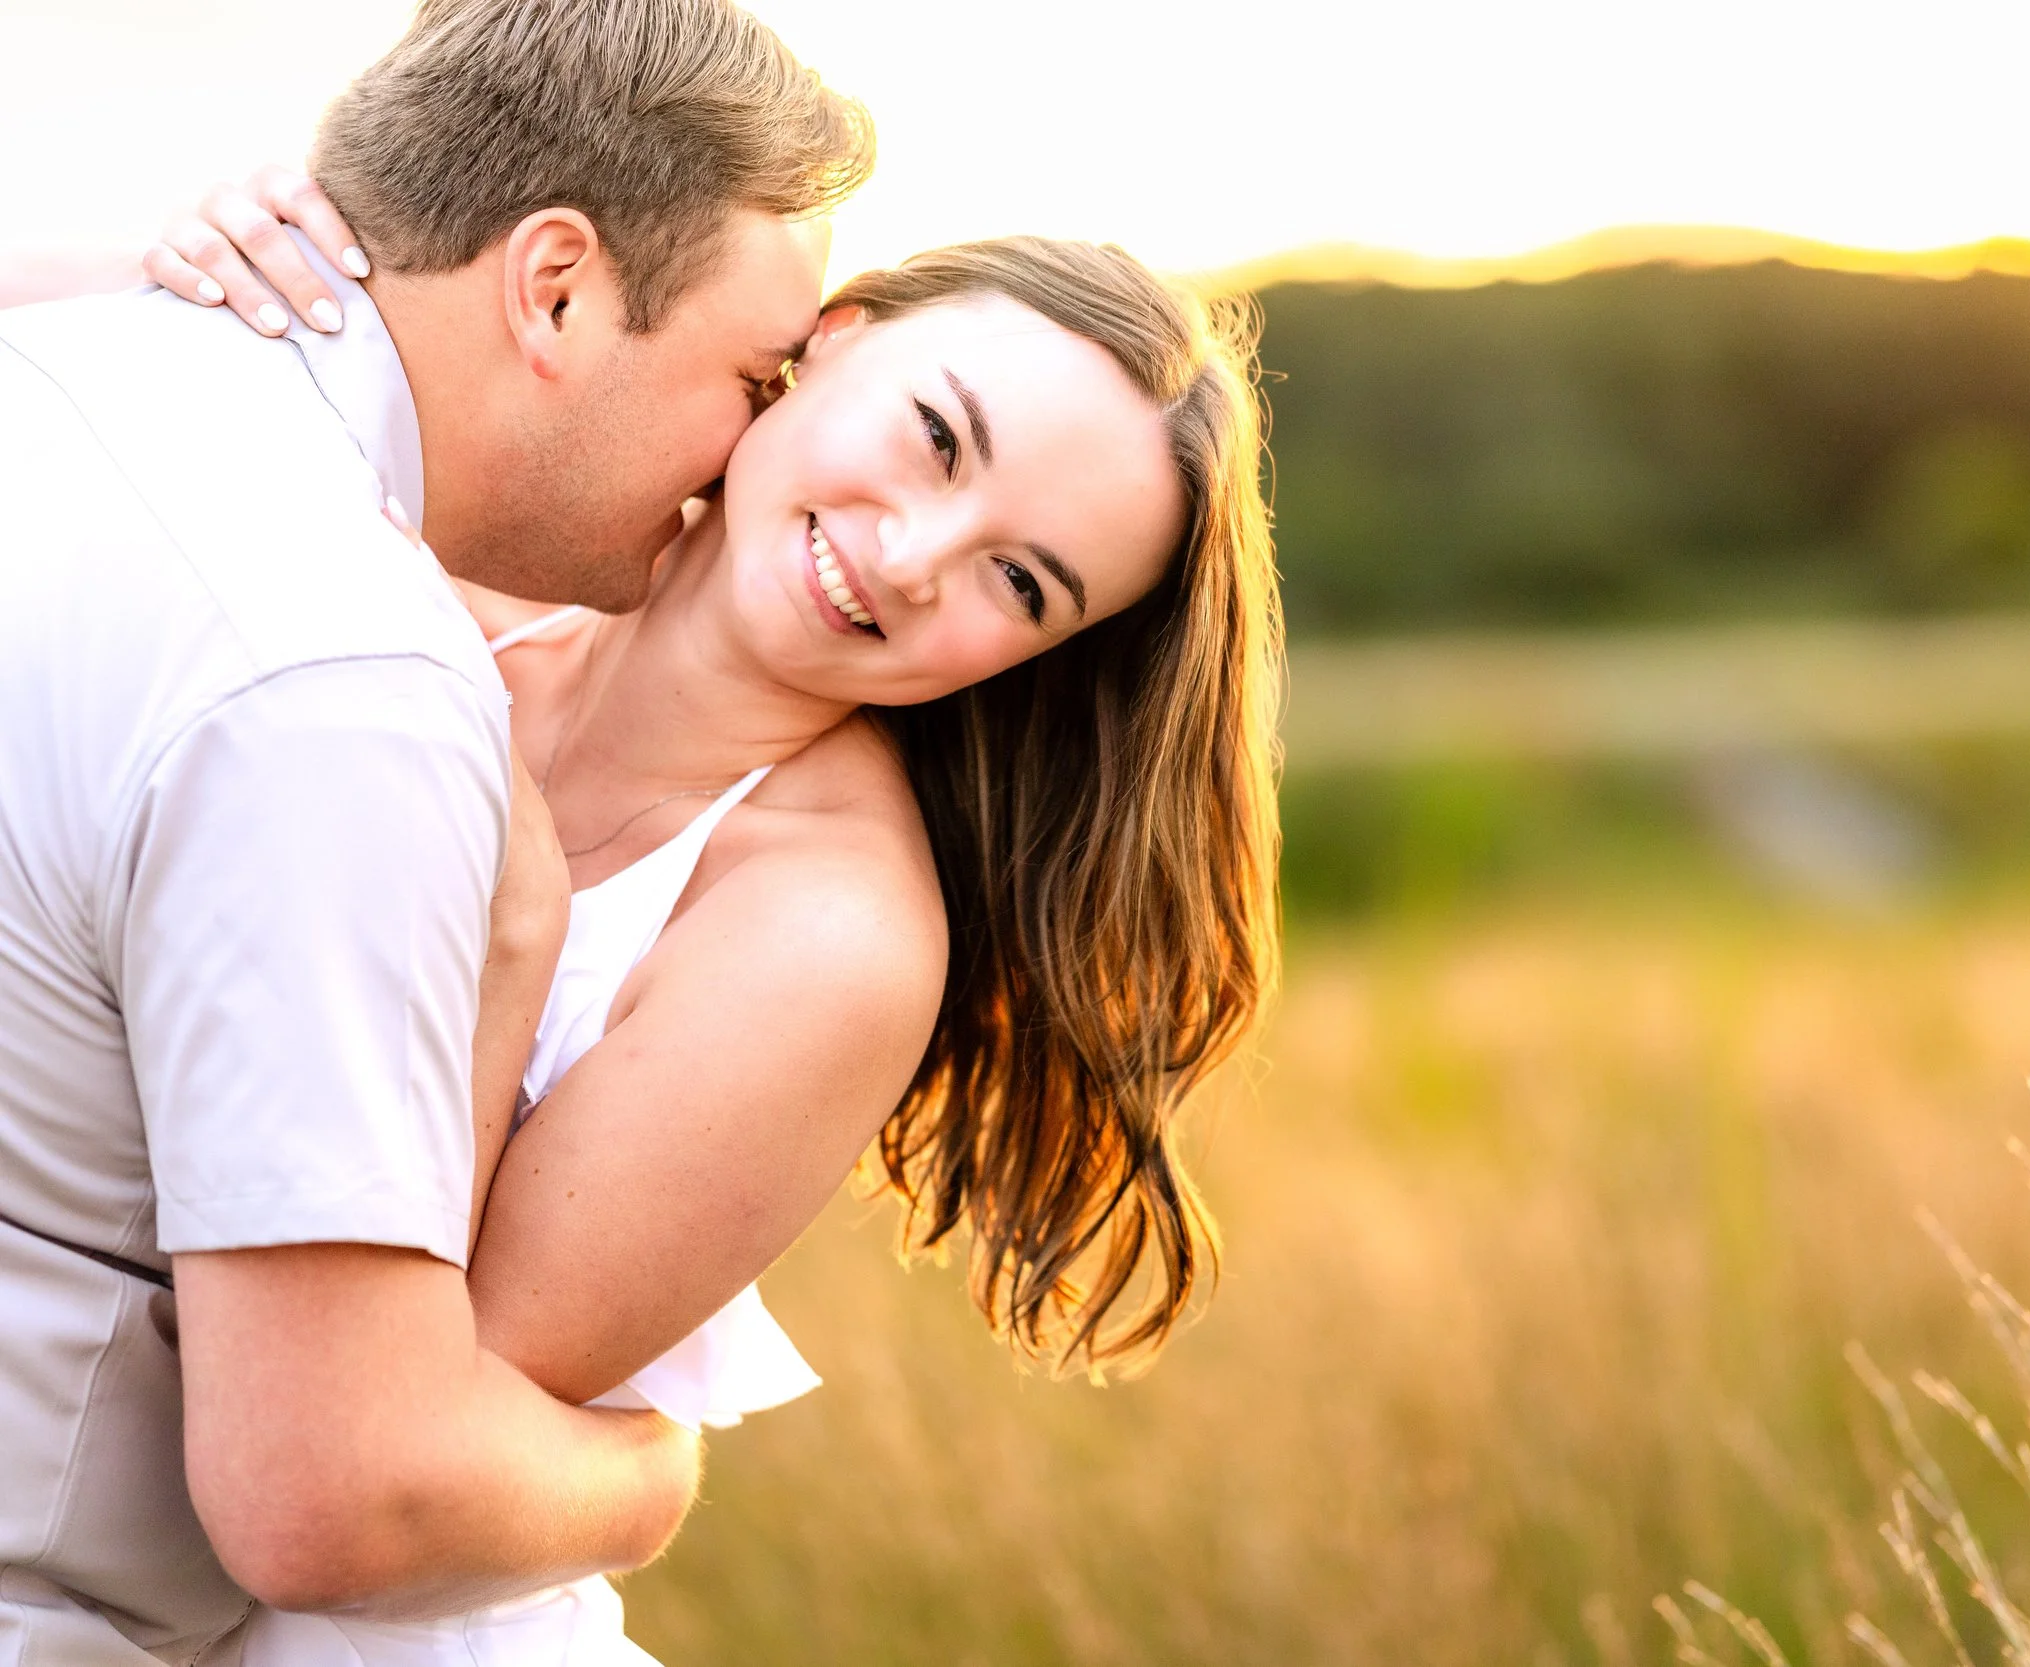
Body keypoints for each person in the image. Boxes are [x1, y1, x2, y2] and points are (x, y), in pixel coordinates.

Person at [111, 185, 1282, 1661]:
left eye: (1018, 580)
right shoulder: (462, 533)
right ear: (837, 341)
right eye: (938, 440)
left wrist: (515, 939)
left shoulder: (828, 932)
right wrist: (190, 264)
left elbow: (390, 1425)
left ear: (1038, 659)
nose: (919, 555)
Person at [0, 0, 869, 1655]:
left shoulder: (52, 373)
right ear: (555, 286)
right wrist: (650, 1473)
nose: (749, 455)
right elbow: (336, 1493)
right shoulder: (346, 676)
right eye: (752, 377)